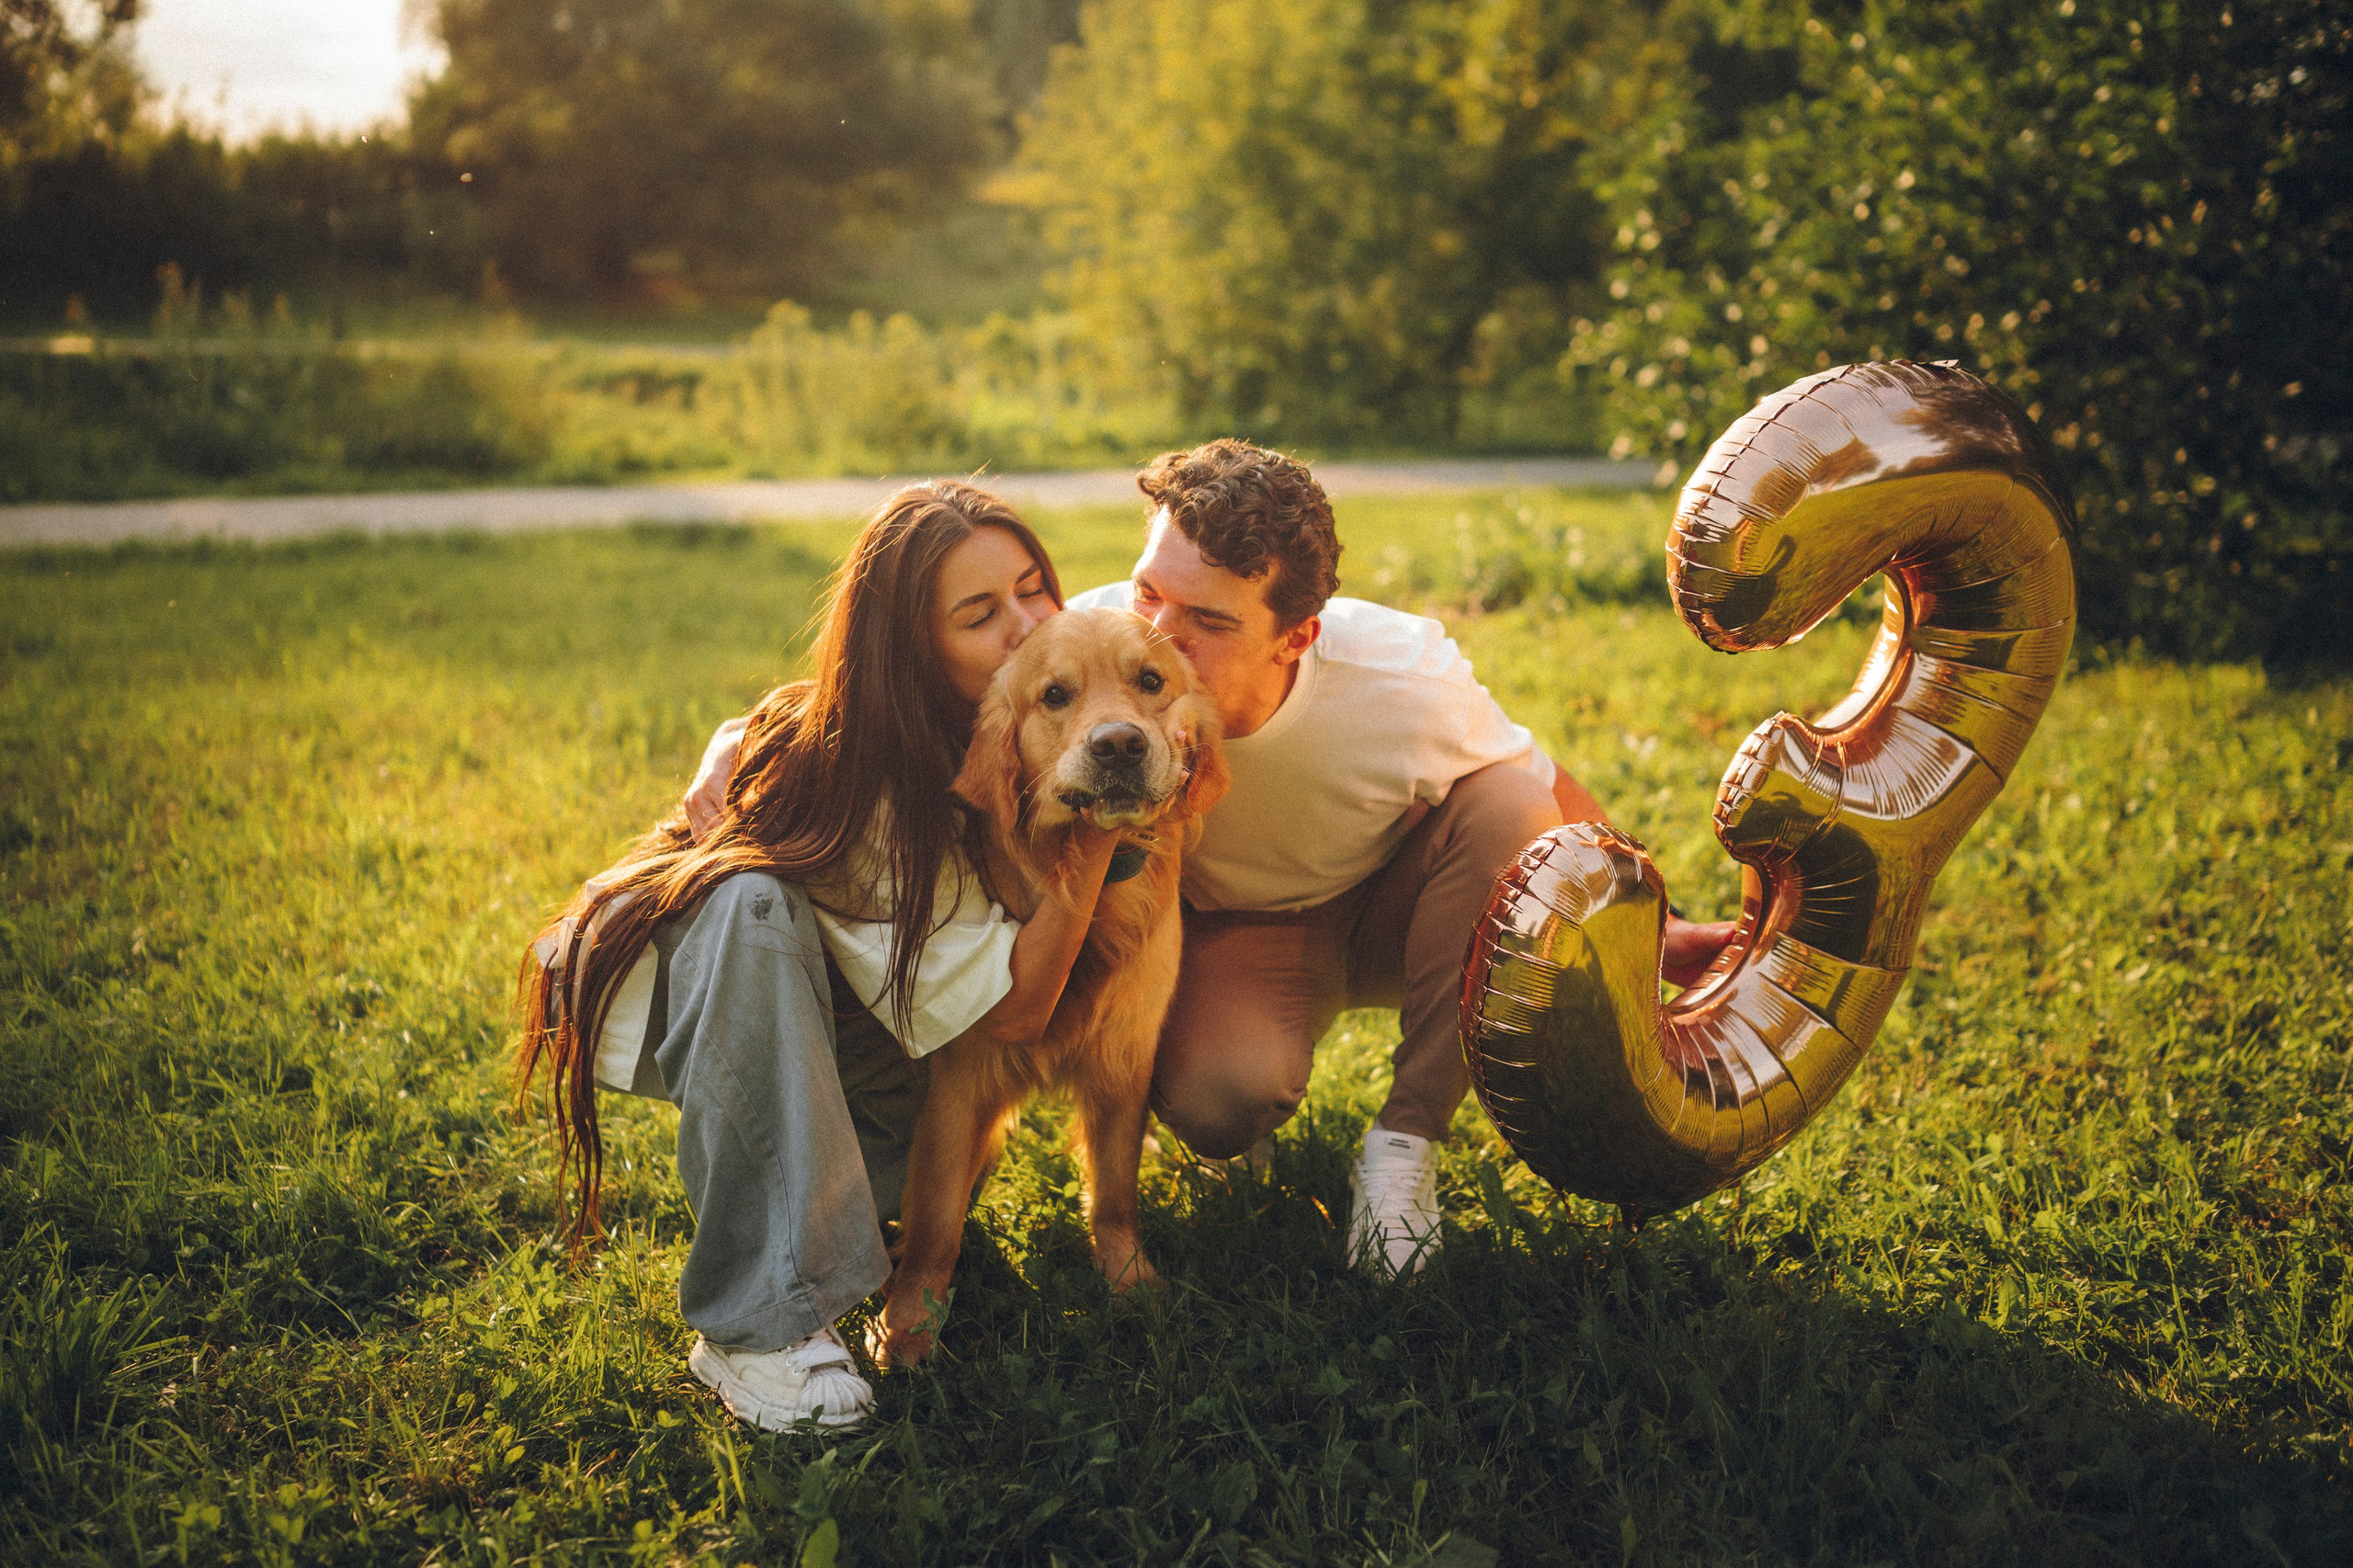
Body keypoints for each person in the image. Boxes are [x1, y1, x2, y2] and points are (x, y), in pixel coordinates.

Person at [688, 444, 1736, 1278]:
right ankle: (1225, 1120)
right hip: (1230, 939)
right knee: (1217, 1099)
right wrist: (739, 737)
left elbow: (1551, 793)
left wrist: (1651, 929)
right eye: (1151, 593)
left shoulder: (1400, 676)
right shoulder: (1094, 640)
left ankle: (1404, 1148)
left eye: (1206, 622)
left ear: (1296, 633)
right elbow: (885, 690)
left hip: (1382, 913)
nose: (1160, 642)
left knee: (1505, 799)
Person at [519, 481, 1120, 1434]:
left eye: (1034, 586)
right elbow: (1015, 1016)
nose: (1027, 623)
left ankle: (818, 1225)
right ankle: (755, 1327)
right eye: (979, 614)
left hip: (855, 1040)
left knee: (872, 1207)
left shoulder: (1043, 690)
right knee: (751, 899)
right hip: (706, 994)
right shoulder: (867, 780)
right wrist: (1091, 842)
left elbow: (1179, 624)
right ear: (914, 653)